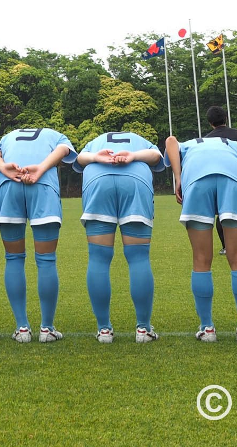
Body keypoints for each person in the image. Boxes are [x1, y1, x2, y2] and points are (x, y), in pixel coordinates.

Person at [74, 128, 166, 344]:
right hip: (135, 181)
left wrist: (98, 157)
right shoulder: (139, 139)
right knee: (139, 257)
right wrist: (133, 156)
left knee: (98, 258)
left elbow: (80, 158)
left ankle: (104, 330)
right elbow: (155, 156)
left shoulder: (96, 140)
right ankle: (143, 329)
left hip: (97, 180)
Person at [165, 135, 237, 343]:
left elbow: (171, 141)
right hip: (233, 182)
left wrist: (178, 178)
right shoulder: (232, 144)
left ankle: (207, 329)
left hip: (197, 181)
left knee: (201, 259)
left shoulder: (190, 144)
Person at [0, 127, 78, 343]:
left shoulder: (7, 136)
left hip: (7, 185)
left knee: (13, 258)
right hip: (43, 186)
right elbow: (64, 149)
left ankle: (22, 329)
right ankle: (46, 329)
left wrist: (3, 168)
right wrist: (40, 169)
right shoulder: (56, 134)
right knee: (46, 260)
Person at [202, 107, 237, 255]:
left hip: (216, 177)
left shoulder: (207, 139)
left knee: (221, 212)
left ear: (210, 122)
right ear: (226, 118)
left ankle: (227, 246)